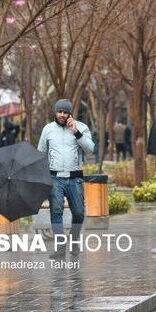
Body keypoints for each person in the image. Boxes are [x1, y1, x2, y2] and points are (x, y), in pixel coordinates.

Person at [37, 99, 95, 258]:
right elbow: (41, 153)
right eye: (59, 111)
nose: (62, 115)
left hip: (75, 178)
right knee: (56, 211)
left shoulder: (81, 127)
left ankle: (74, 240)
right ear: (55, 112)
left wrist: (76, 132)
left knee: (78, 213)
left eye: (65, 112)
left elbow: (90, 149)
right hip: (54, 178)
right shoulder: (48, 129)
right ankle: (60, 248)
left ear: (70, 113)